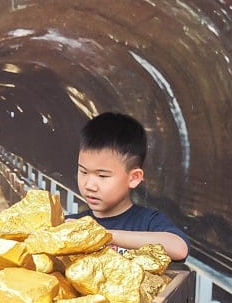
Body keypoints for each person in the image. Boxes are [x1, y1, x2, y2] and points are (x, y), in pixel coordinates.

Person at [68, 112, 189, 262]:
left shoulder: (148, 222)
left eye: (102, 176)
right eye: (83, 172)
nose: (89, 185)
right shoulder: (71, 225)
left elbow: (179, 248)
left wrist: (102, 235)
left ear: (133, 178)